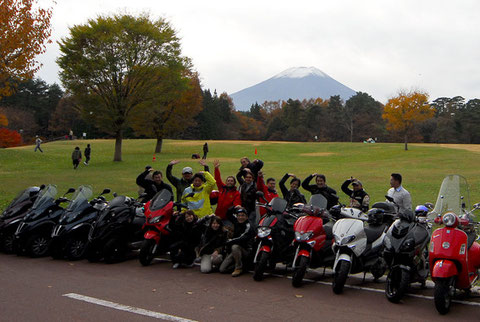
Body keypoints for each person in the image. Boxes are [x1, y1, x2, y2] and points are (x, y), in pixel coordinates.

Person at [219, 207, 255, 277]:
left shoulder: (249, 226)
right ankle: (244, 266)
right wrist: (234, 207)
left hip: (246, 251)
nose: (240, 217)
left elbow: (242, 238)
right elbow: (228, 214)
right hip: (235, 251)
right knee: (222, 269)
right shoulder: (236, 221)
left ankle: (239, 268)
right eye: (239, 215)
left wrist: (229, 241)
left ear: (247, 217)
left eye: (243, 215)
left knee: (235, 246)